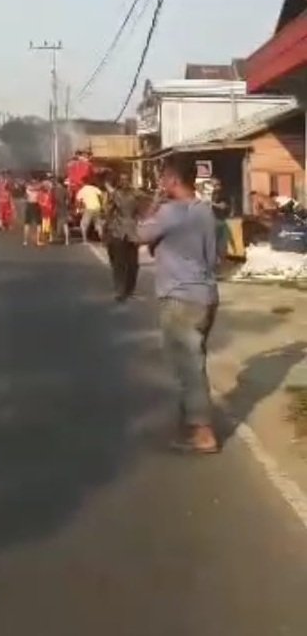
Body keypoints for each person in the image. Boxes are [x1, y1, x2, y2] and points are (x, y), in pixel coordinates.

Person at [137, 156, 219, 454]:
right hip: (206, 295)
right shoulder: (204, 211)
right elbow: (212, 256)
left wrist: (154, 203)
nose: (160, 184)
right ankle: (190, 423)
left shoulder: (170, 212)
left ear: (172, 180)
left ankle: (202, 432)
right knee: (195, 361)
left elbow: (139, 235)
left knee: (187, 366)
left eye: (163, 179)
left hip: (181, 298)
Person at [104, 172, 140, 301]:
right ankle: (121, 290)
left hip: (130, 232)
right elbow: (108, 212)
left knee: (132, 264)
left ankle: (128, 290)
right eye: (122, 179)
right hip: (119, 232)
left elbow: (141, 210)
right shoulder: (117, 195)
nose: (124, 182)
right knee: (121, 264)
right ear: (119, 182)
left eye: (126, 179)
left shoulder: (134, 194)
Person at [77, 179, 104, 243]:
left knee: (83, 225)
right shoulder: (94, 188)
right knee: (98, 224)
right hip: (97, 207)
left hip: (88, 208)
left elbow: (78, 200)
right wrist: (101, 204)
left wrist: (79, 208)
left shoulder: (82, 190)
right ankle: (102, 239)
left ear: (82, 183)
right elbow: (101, 195)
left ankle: (84, 240)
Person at [23, 176, 42, 247]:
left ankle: (25, 241)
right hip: (36, 205)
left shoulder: (28, 188)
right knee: (39, 224)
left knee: (27, 223)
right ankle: (38, 241)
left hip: (29, 205)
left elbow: (25, 196)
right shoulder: (39, 188)